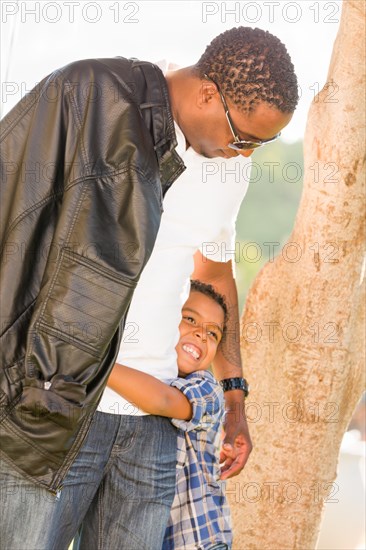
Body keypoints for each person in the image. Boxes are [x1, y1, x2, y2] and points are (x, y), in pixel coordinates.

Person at [0, 27, 299, 550]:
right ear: (209, 94)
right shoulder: (93, 98)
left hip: (155, 425)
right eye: (245, 137)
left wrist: (234, 398)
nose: (247, 154)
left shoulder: (230, 171)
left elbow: (215, 275)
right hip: (64, 405)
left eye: (262, 144)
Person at [105, 279, 233, 550]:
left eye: (213, 334)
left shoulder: (208, 390)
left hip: (196, 538)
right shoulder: (141, 368)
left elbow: (161, 400)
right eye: (190, 319)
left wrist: (91, 362)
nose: (201, 334)